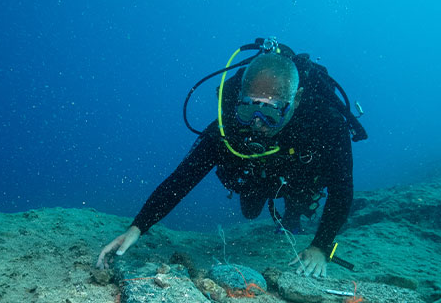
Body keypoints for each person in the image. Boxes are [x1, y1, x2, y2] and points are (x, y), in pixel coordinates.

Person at [97, 42, 355, 278]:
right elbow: (181, 179)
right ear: (239, 96)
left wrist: (321, 246)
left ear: (295, 100)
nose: (257, 123)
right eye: (248, 108)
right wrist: (137, 227)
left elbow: (342, 190)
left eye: (271, 111)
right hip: (255, 175)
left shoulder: (328, 126)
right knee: (251, 209)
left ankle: (292, 215)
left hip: (299, 177)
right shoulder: (226, 128)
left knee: (298, 201)